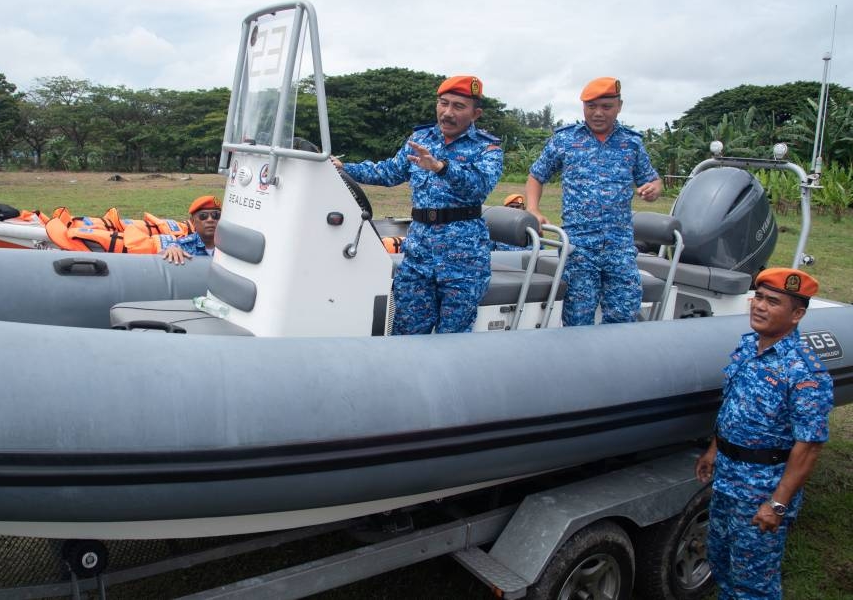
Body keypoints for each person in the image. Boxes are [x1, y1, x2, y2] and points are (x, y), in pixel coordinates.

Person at [695, 267, 832, 600]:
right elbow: (734, 406)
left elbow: (809, 446)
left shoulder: (802, 371)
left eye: (773, 301)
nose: (759, 306)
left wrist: (778, 504)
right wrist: (714, 449)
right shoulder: (748, 348)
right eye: (758, 297)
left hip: (760, 491)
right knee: (722, 564)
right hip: (728, 479)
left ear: (797, 314)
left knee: (753, 584)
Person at [334, 75, 503, 334]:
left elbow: (479, 185)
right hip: (419, 254)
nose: (447, 112)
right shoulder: (421, 138)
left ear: (475, 113)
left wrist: (441, 167)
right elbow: (389, 172)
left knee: (454, 340)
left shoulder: (487, 148)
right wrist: (346, 169)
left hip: (464, 260)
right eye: (443, 103)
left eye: (458, 106)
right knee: (406, 333)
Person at [525, 77, 662, 326]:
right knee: (578, 318)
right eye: (591, 107)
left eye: (606, 107)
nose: (598, 113)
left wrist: (653, 189)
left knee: (624, 313)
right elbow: (536, 176)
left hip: (619, 246)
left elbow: (652, 180)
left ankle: (615, 363)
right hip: (578, 246)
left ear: (619, 106)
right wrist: (533, 209)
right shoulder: (565, 140)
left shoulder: (631, 143)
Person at [160, 195, 220, 264]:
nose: (210, 220)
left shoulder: (230, 245)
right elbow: (160, 257)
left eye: (216, 215)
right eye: (203, 216)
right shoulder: (183, 245)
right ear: (193, 222)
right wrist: (170, 251)